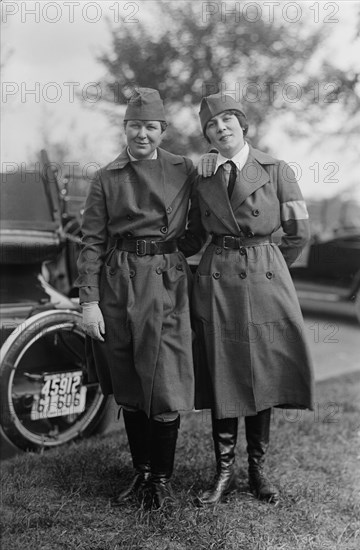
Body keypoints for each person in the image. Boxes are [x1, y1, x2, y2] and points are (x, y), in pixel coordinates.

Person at [75, 87, 202, 509]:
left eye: (151, 127)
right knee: (129, 378)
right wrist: (88, 301)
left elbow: (200, 224)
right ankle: (142, 472)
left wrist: (173, 257)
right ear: (125, 128)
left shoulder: (184, 169)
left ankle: (161, 481)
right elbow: (91, 241)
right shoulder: (107, 176)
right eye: (135, 126)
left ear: (162, 130)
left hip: (167, 282)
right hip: (120, 282)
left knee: (164, 378)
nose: (142, 134)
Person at [192, 93, 315, 505]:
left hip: (264, 275)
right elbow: (193, 229)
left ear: (243, 125)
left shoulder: (276, 169)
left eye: (228, 119)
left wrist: (272, 266)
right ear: (207, 134)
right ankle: (224, 472)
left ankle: (258, 470)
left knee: (263, 373)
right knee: (222, 369)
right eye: (212, 124)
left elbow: (298, 231)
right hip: (218, 277)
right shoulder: (203, 174)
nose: (221, 128)